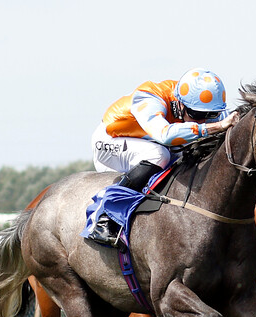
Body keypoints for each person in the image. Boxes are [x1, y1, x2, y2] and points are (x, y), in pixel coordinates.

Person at [87, 68, 240, 245]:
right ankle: (106, 217)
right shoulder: (150, 97)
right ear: (180, 104)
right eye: (197, 115)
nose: (204, 121)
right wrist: (216, 126)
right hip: (110, 142)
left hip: (148, 142)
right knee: (159, 155)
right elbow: (164, 135)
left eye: (211, 116)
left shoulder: (201, 107)